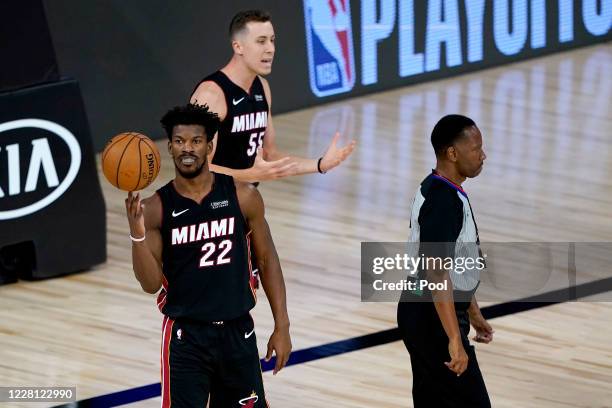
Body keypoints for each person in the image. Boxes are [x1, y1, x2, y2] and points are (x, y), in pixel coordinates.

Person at [125, 103, 291, 407]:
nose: (187, 148)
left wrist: (282, 327)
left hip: (238, 331)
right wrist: (137, 233)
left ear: (209, 146)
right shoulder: (156, 208)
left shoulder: (243, 196)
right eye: (179, 141)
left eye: (195, 141)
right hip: (186, 338)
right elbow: (150, 284)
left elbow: (267, 260)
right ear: (170, 148)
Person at [190, 9, 356, 182]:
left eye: (272, 40)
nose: (270, 49)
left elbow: (270, 155)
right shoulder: (211, 95)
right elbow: (196, 170)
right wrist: (249, 176)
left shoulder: (262, 87)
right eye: (261, 41)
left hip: (242, 198)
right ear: (238, 46)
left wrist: (320, 164)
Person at [397, 114, 493, 407]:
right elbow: (436, 273)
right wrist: (453, 338)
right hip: (433, 319)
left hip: (427, 312)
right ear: (452, 153)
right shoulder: (443, 202)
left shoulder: (438, 188)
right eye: (476, 148)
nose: (483, 155)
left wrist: (473, 312)